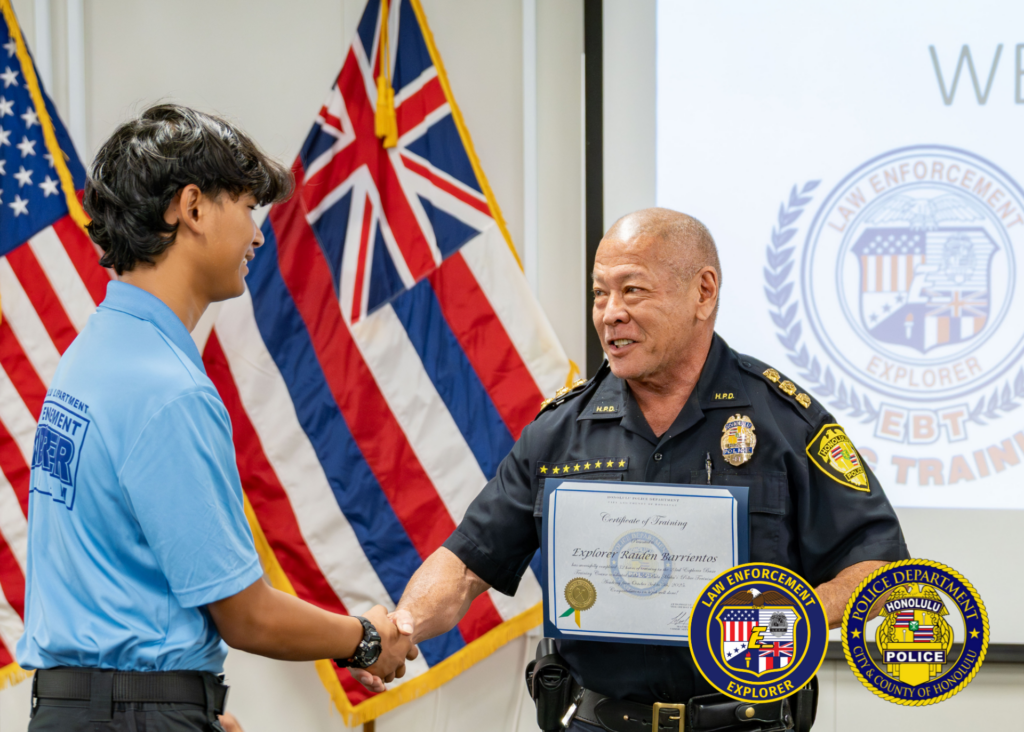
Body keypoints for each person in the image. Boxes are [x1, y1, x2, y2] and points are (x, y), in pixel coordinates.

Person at [357, 208, 909, 731]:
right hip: (597, 721)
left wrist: (787, 615)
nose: (609, 312)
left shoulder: (787, 422)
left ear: (703, 291)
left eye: (632, 290)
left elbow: (880, 576)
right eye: (600, 293)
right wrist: (402, 626)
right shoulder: (559, 430)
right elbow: (465, 565)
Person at [17, 104, 415, 731]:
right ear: (193, 207)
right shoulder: (167, 389)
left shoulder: (90, 355)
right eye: (248, 207)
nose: (258, 234)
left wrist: (187, 705)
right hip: (133, 714)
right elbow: (245, 614)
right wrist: (366, 638)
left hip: (81, 708)